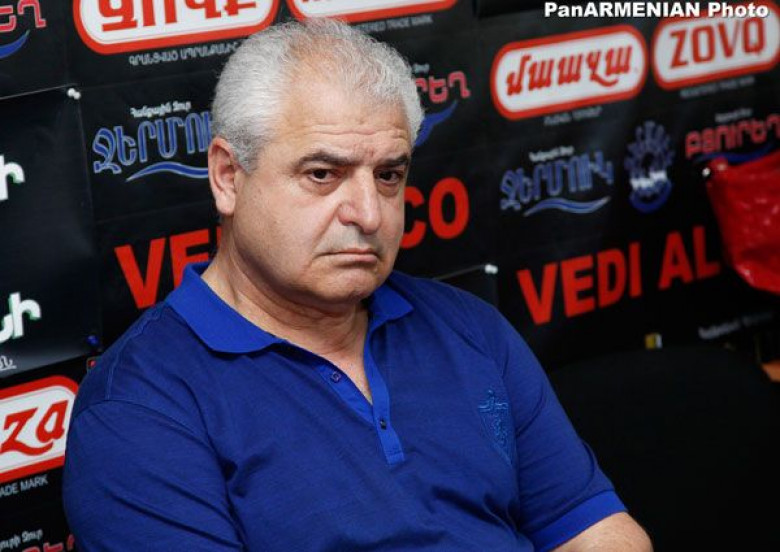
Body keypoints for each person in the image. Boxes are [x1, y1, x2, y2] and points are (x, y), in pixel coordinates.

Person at [63, 19, 652, 551]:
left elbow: (597, 529)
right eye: (323, 174)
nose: (369, 214)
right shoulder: (139, 406)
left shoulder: (468, 327)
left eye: (389, 175)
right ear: (227, 177)